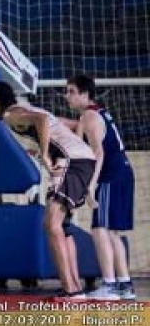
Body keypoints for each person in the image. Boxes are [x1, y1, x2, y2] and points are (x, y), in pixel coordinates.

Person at [0, 81, 96, 301]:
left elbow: (42, 120)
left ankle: (71, 291)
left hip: (70, 162)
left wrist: (46, 155)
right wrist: (85, 150)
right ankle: (74, 288)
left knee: (51, 224)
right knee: (62, 228)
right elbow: (76, 124)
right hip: (76, 161)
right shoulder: (31, 109)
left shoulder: (12, 115)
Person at [64, 75, 136, 300]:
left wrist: (90, 185)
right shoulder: (97, 113)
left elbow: (98, 152)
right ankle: (124, 284)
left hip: (111, 176)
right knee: (111, 230)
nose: (67, 96)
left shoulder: (90, 115)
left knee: (100, 229)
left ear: (85, 95)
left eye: (71, 91)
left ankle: (110, 285)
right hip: (122, 173)